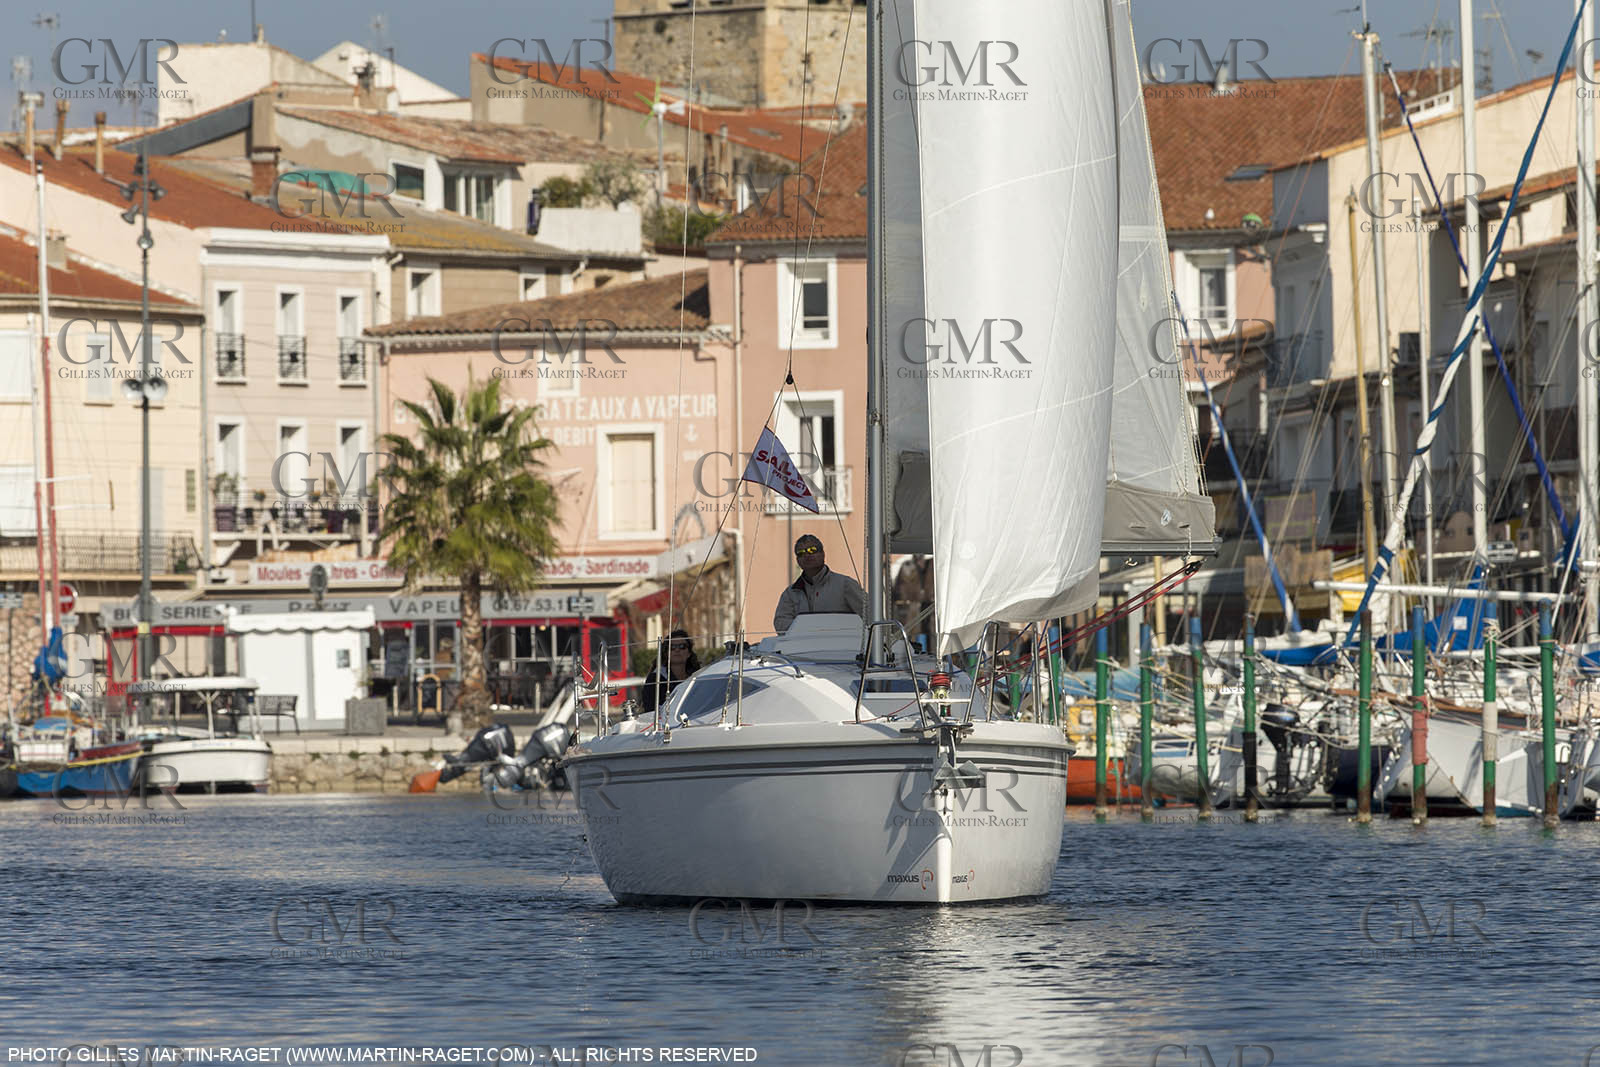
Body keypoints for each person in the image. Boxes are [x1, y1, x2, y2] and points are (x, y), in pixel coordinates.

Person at [773, 534, 868, 634]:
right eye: (800, 553)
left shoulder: (845, 585)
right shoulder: (790, 593)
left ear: (823, 554)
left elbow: (870, 614)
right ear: (797, 560)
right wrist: (808, 630)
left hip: (842, 646)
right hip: (803, 647)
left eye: (812, 550)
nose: (807, 555)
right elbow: (781, 624)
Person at [641, 629, 700, 714]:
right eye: (672, 647)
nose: (677, 650)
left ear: (689, 653)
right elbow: (650, 711)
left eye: (682, 646)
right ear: (666, 653)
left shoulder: (697, 677)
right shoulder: (655, 679)